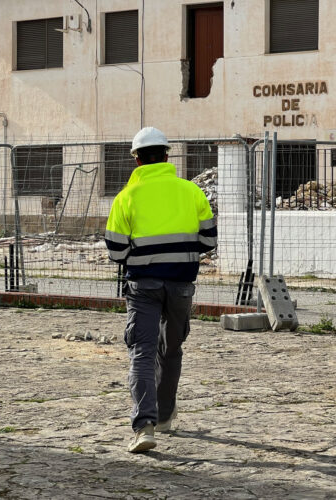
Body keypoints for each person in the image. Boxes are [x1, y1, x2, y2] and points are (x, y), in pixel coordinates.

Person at [105, 127, 217, 453]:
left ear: (136, 160)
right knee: (172, 349)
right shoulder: (191, 192)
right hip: (182, 285)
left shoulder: (126, 196)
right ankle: (166, 416)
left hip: (143, 286)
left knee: (143, 352)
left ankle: (144, 427)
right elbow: (209, 240)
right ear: (167, 156)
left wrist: (142, 257)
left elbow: (115, 251)